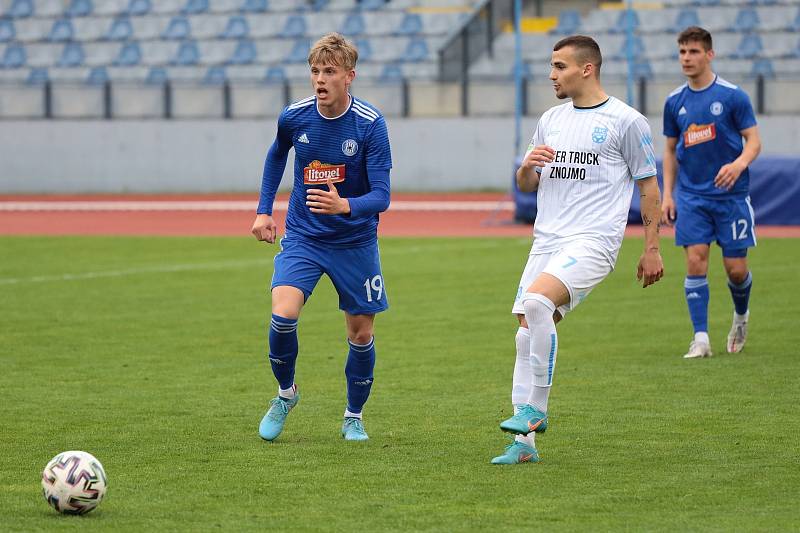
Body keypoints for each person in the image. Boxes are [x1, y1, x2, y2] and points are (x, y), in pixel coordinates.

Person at [491, 35, 664, 465]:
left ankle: (537, 411)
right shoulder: (550, 119)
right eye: (551, 67)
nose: (552, 75)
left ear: (587, 69)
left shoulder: (627, 121)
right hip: (547, 240)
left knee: (536, 302)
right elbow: (526, 184)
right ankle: (524, 447)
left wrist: (653, 248)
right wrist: (527, 166)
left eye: (559, 67)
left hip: (593, 241)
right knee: (524, 332)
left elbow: (649, 188)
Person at [251, 32, 392, 442]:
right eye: (315, 71)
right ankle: (285, 394)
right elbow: (277, 153)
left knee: (360, 334)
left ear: (349, 76)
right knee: (283, 315)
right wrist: (264, 210)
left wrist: (344, 206)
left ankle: (353, 416)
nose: (320, 79)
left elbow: (382, 196)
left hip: (355, 242)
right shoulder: (294, 116)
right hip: (305, 238)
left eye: (329, 71)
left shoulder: (370, 124)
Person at [661, 27, 761, 359]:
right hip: (692, 197)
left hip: (731, 197)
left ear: (709, 54)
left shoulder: (733, 96)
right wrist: (668, 195)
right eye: (682, 52)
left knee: (735, 269)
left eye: (693, 52)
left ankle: (741, 316)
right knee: (695, 260)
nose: (686, 58)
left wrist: (739, 163)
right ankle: (700, 338)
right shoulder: (675, 101)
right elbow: (670, 149)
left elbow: (755, 141)